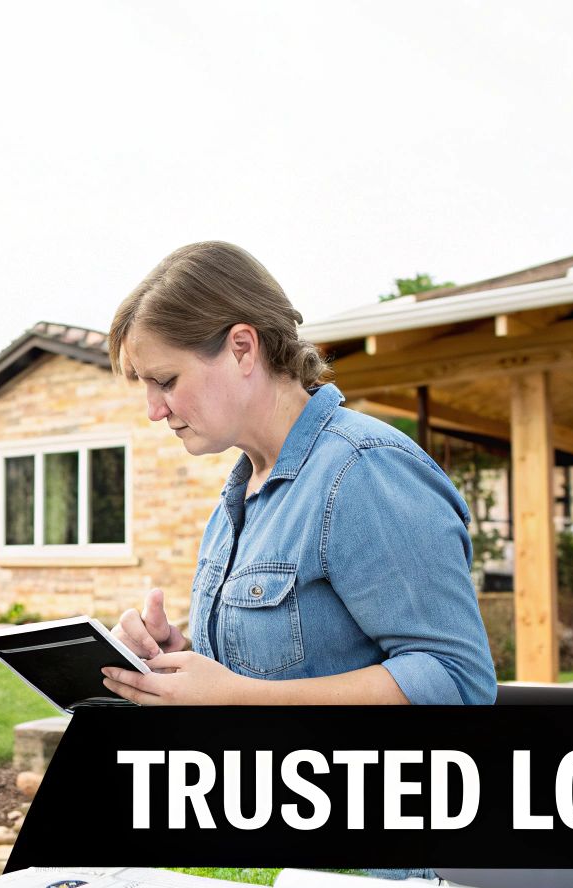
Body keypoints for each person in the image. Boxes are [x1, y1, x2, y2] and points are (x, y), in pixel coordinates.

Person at [99, 241, 495, 707]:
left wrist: (237, 699)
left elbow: (457, 682)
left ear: (243, 349)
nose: (153, 410)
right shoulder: (241, 496)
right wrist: (177, 661)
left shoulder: (363, 469)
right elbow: (260, 679)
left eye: (166, 381)